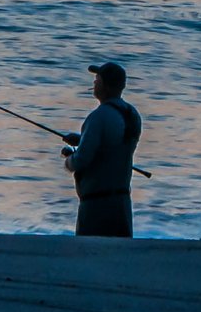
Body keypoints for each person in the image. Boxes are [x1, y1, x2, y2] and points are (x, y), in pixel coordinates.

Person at [61, 61, 142, 237]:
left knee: (90, 258)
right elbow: (114, 145)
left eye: (97, 79)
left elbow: (82, 159)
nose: (94, 82)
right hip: (121, 202)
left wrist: (68, 160)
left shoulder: (98, 117)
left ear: (104, 85)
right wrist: (83, 139)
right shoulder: (132, 114)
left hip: (96, 205)